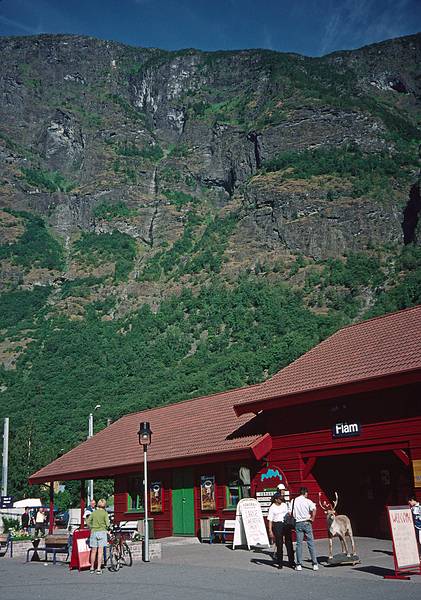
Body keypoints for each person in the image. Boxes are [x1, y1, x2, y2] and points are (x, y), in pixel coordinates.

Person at [267, 492, 295, 569]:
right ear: (276, 500)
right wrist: (270, 530)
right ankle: (280, 563)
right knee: (279, 544)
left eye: (282, 498)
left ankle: (291, 561)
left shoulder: (284, 505)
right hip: (277, 525)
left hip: (285, 524)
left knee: (289, 543)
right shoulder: (272, 507)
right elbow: (270, 520)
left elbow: (288, 514)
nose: (281, 499)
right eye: (280, 498)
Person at [292, 487, 319, 571]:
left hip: (298, 522)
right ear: (305, 493)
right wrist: (313, 518)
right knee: (310, 543)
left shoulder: (294, 501)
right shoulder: (308, 501)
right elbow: (314, 509)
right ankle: (314, 564)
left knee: (299, 544)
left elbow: (290, 513)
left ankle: (299, 564)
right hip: (307, 522)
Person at [87, 498, 110, 574]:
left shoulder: (94, 512)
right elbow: (108, 524)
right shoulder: (105, 513)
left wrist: (92, 527)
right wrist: (106, 527)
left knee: (93, 551)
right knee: (100, 552)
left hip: (94, 532)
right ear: (104, 505)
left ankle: (92, 568)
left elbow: (88, 521)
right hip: (102, 532)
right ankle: (99, 569)